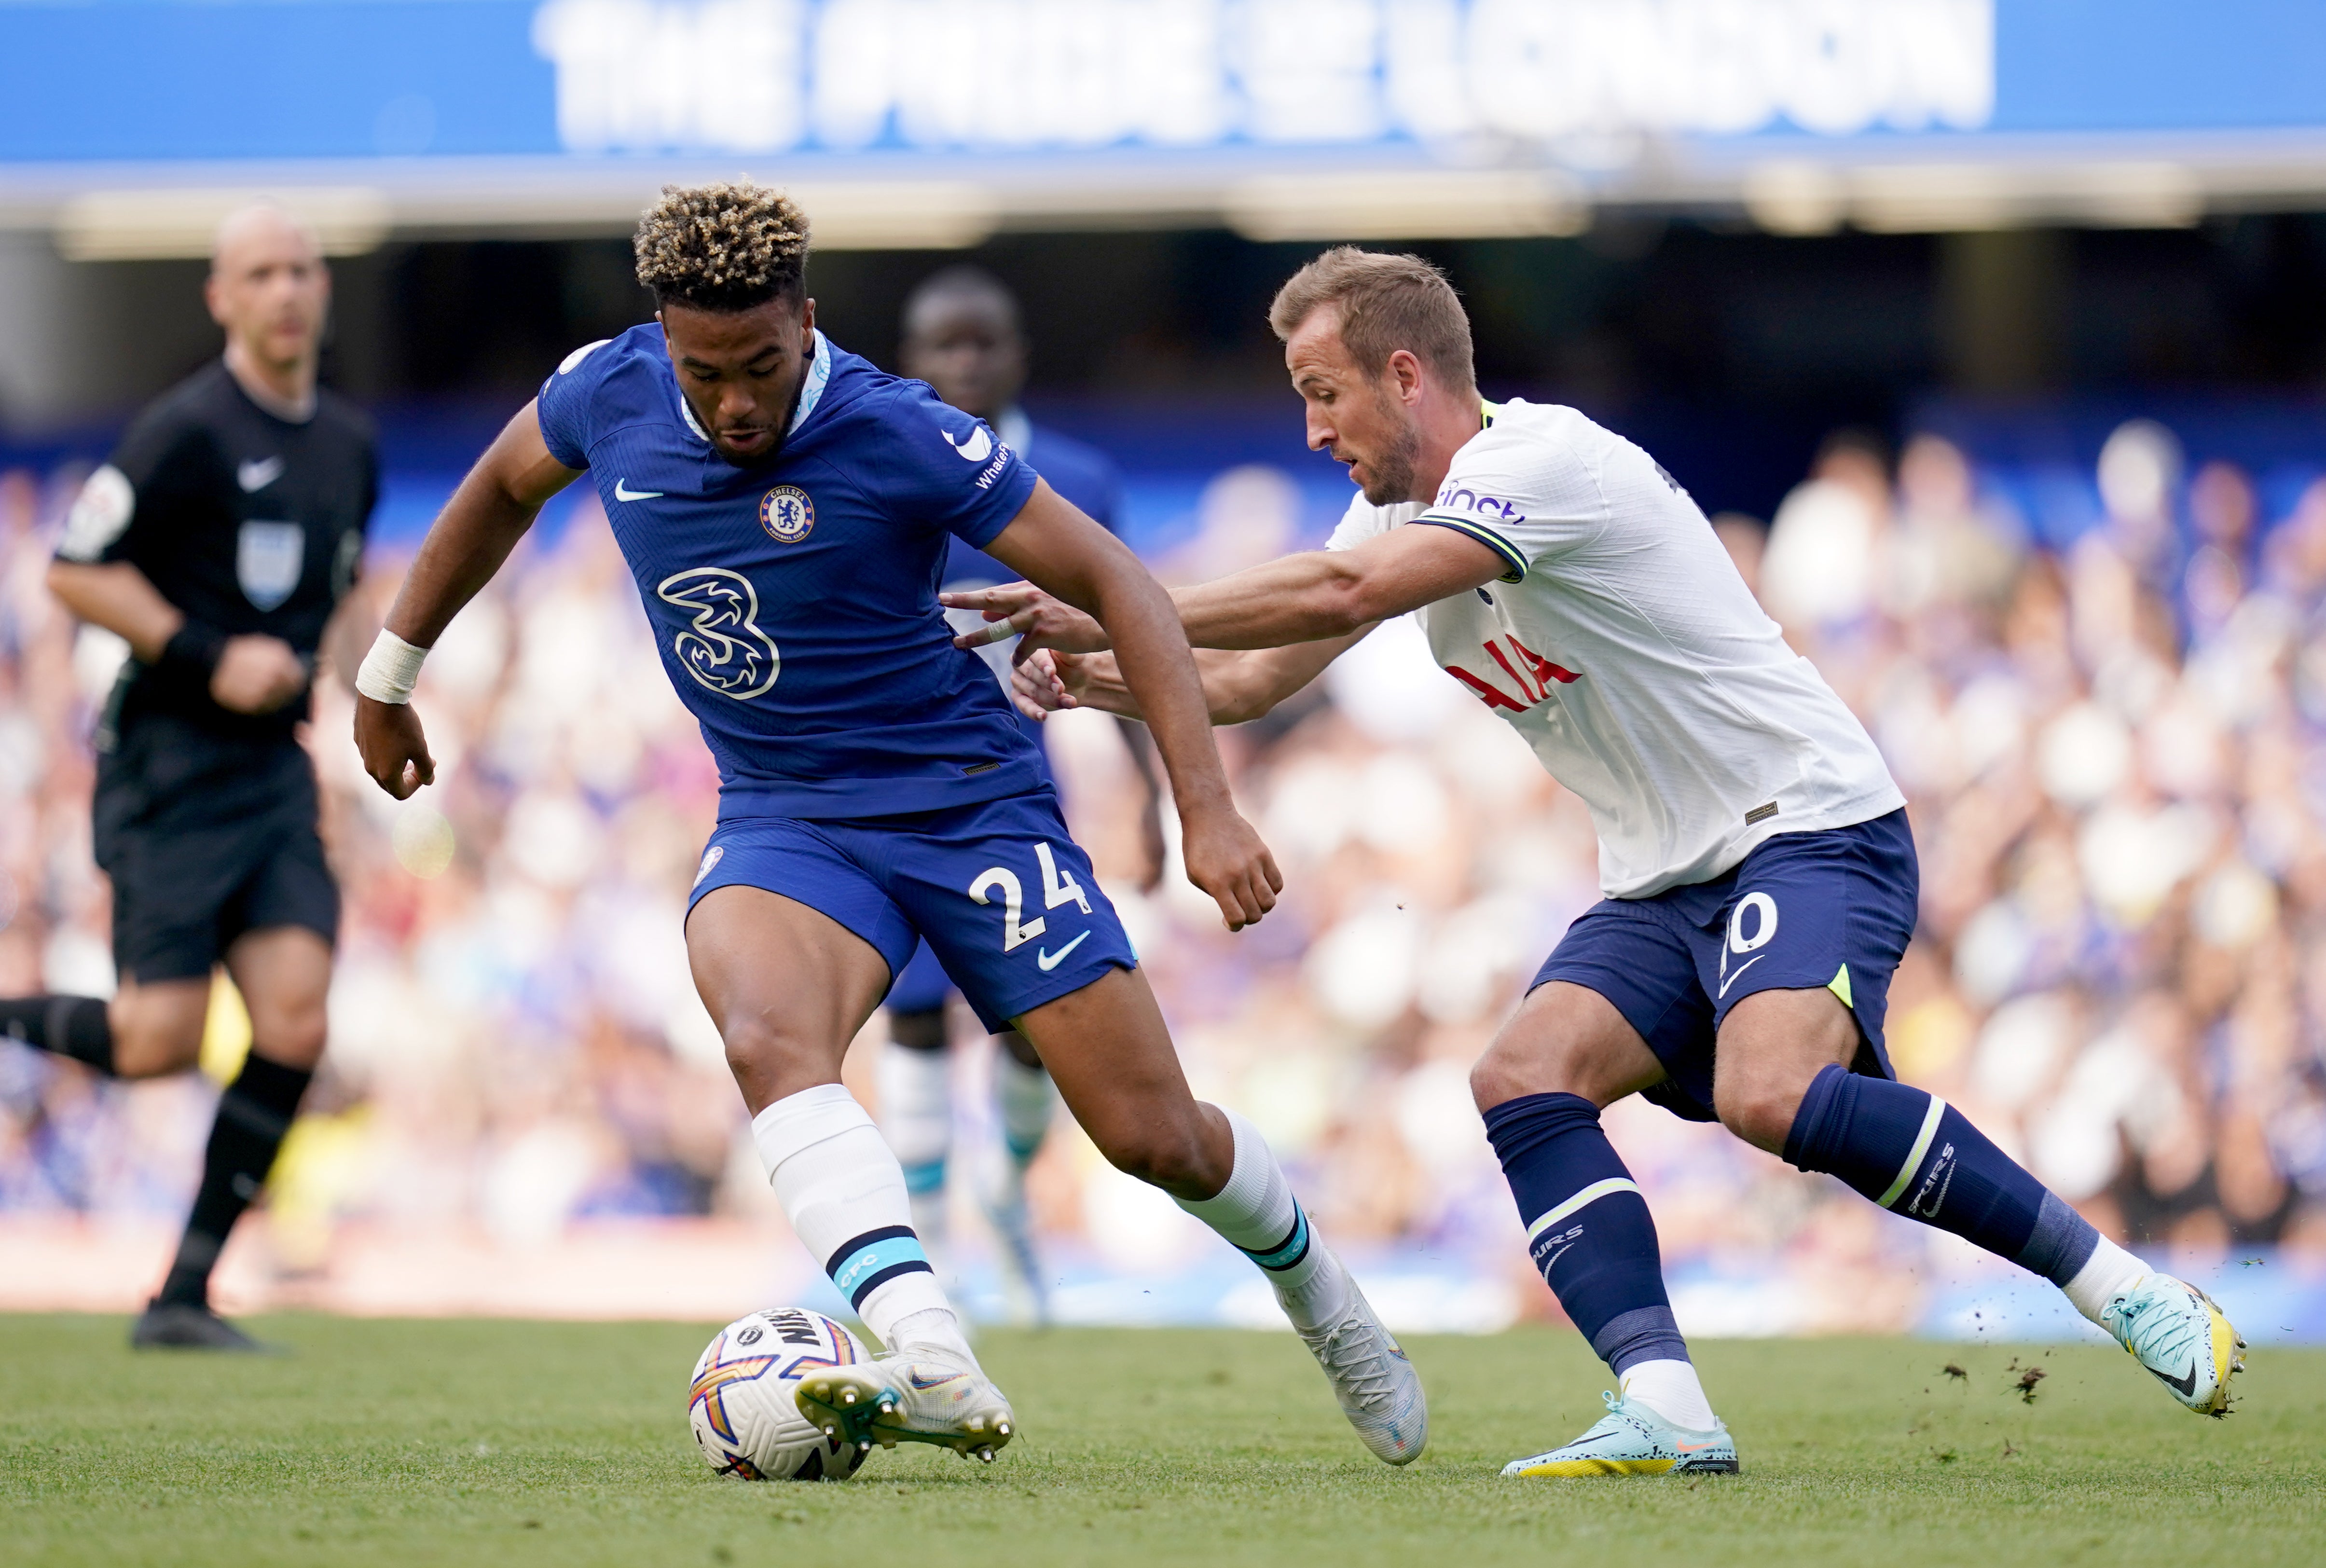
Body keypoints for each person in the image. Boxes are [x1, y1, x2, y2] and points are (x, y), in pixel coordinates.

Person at [956, 246, 2247, 1476]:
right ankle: (1664, 1409)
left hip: (1804, 824)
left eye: (1323, 394)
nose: (1311, 430)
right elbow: (1239, 682)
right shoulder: (1399, 523)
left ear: (1406, 376)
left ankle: (2125, 1292)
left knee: (1768, 1094)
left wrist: (1119, 590)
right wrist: (1094, 679)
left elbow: (1337, 601)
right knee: (1520, 1079)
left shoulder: (1544, 460)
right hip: (1664, 876)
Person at [349, 185, 1425, 1467]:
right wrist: (389, 673)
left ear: (806, 322)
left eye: (761, 365)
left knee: (1154, 1137)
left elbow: (1117, 582)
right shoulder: (607, 391)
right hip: (785, 815)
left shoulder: (899, 430)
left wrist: (1203, 807)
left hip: (971, 809)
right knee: (764, 1030)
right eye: (705, 374)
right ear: (661, 344)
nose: (736, 401)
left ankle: (1327, 1303)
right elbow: (492, 492)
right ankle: (928, 1345)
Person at [0, 203, 376, 1350]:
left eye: (302, 268)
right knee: (158, 1040)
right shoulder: (183, 429)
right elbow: (75, 570)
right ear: (220, 296)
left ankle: (185, 1290)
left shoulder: (349, 448)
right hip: (166, 766)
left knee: (297, 1019)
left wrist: (373, 697)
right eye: (259, 272)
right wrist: (211, 657)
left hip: (272, 771)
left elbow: (339, 602)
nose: (285, 290)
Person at [881, 266, 1162, 1321]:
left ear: (1017, 353)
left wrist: (1148, 795)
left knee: (1032, 1024)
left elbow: (1126, 637)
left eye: (980, 342)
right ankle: (935, 1250)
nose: (961, 364)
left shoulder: (1078, 480)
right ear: (909, 363)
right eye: (939, 347)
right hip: (897, 785)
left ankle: (1005, 1194)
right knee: (911, 1022)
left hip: (1017, 788)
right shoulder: (882, 470)